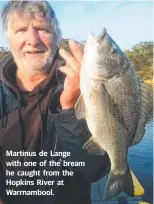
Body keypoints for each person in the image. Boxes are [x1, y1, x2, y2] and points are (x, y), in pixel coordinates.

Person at [0, 1, 110, 204]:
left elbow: (95, 169)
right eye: (21, 30)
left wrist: (69, 109)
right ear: (8, 39)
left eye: (42, 29)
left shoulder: (90, 86)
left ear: (56, 36)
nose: (32, 40)